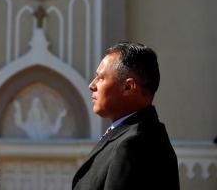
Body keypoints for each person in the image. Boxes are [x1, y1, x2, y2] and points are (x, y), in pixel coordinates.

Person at [72, 42, 180, 190]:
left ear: (128, 87)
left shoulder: (133, 145)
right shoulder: (145, 136)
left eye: (101, 78)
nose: (92, 85)